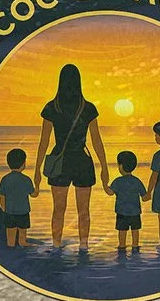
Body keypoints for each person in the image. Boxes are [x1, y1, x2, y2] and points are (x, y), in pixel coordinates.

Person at [30, 63, 106, 248]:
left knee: (58, 210)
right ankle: (84, 247)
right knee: (84, 211)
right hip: (82, 161)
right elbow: (96, 141)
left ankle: (56, 246)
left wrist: (37, 170)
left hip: (60, 162)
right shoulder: (87, 108)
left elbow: (44, 142)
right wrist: (104, 167)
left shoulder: (52, 107)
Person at [106, 151, 145, 253]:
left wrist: (104, 184)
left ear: (121, 166)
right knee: (135, 231)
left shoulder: (118, 181)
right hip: (135, 212)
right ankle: (135, 247)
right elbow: (144, 196)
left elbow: (110, 192)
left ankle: (122, 247)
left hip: (122, 212)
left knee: (122, 231)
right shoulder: (137, 181)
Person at [0, 147, 34, 248]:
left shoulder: (5, 179)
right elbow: (33, 194)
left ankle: (11, 246)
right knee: (22, 237)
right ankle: (23, 243)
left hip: (10, 211)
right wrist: (37, 187)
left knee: (10, 237)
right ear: (23, 164)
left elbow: (1, 195)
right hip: (23, 212)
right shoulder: (26, 180)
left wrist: (4, 209)